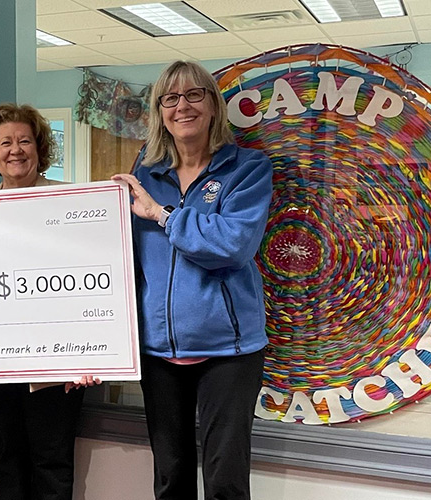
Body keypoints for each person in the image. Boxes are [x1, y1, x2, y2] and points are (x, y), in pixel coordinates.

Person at [112, 61, 273, 500]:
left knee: (224, 480)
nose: (182, 106)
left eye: (194, 95)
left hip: (228, 351)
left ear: (213, 105)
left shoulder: (248, 169)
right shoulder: (146, 172)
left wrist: (163, 216)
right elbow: (124, 253)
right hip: (160, 350)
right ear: (160, 111)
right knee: (170, 478)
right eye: (170, 98)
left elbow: (234, 244)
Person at [0, 103, 99, 500]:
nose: (15, 150)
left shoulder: (73, 203)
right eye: (5, 142)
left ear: (40, 149)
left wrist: (91, 352)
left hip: (56, 366)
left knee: (52, 464)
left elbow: (93, 282)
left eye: (25, 141)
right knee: (6, 461)